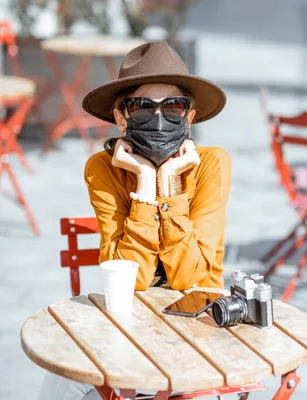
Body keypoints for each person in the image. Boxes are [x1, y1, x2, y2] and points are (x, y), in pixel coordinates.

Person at [37, 41, 231, 400]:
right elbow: (133, 280)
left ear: (189, 116)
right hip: (125, 323)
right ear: (121, 117)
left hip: (198, 326)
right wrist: (145, 180)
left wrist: (170, 183)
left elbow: (192, 278)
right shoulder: (103, 169)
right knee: (64, 374)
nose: (159, 119)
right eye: (143, 107)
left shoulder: (212, 164)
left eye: (173, 106)